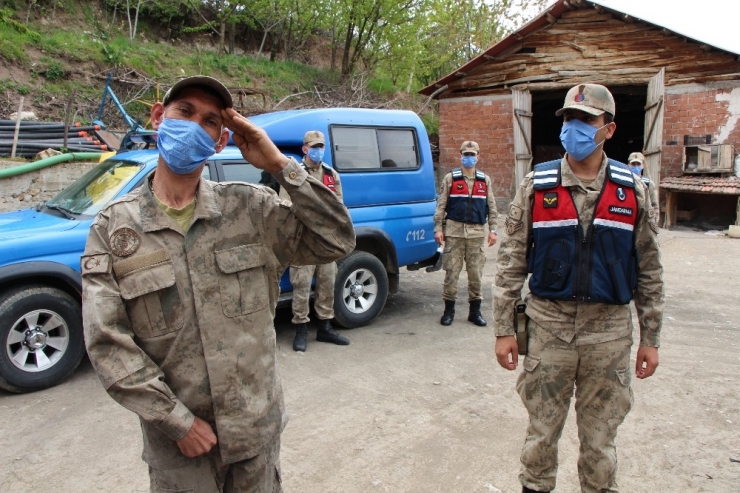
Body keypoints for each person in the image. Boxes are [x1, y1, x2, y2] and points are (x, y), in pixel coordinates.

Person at [81, 75, 355, 492]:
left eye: (209, 121)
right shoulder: (114, 229)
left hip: (255, 437)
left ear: (220, 139)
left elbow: (336, 239)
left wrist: (281, 165)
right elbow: (106, 341)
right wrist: (176, 421)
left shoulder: (250, 208)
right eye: (184, 112)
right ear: (159, 116)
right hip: (179, 452)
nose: (193, 127)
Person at [493, 83, 664, 493]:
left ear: (608, 128)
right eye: (569, 118)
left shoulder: (633, 190)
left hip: (609, 335)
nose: (575, 127)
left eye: (586, 120)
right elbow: (511, 261)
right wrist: (504, 329)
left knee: (601, 446)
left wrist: (650, 337)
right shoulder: (537, 185)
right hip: (548, 330)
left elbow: (650, 269)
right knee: (540, 438)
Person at [279, 130, 350, 352]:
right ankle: (301, 329)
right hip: (303, 239)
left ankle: (325, 327)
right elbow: (284, 204)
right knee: (301, 284)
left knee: (327, 282)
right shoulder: (294, 173)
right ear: (305, 149)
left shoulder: (331, 174)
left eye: (322, 147)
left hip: (326, 240)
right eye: (315, 147)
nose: (319, 151)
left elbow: (339, 206)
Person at [434, 140, 498, 327]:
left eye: (472, 154)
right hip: (454, 232)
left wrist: (493, 230)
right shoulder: (450, 179)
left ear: (478, 156)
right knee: (451, 273)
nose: (469, 158)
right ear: (460, 156)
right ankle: (448, 311)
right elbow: (441, 205)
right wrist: (438, 228)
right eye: (466, 154)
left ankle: (475, 312)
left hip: (476, 233)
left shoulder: (484, 180)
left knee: (476, 274)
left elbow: (492, 207)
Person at [628, 151, 660, 217]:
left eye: (638, 164)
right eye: (633, 164)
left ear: (643, 166)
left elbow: (654, 205)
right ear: (628, 165)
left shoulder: (648, 184)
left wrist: (653, 223)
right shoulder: (624, 181)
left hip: (643, 219)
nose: (636, 166)